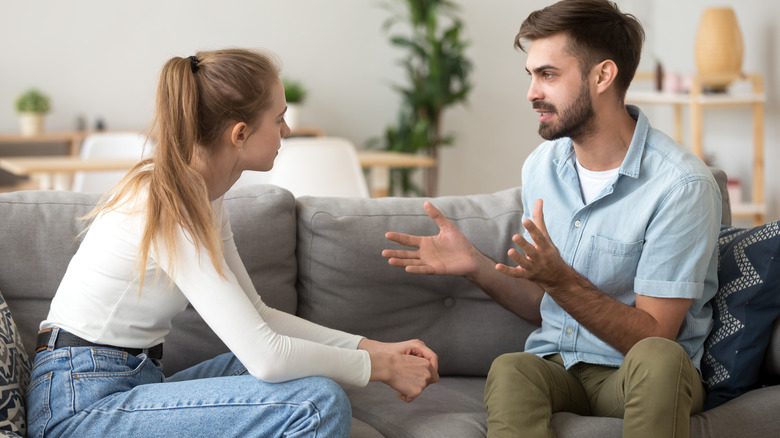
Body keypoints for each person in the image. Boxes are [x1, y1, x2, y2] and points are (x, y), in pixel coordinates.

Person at [27, 48, 439, 438]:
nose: (287, 130)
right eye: (279, 119)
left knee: (300, 370)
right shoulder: (169, 201)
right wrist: (381, 368)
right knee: (316, 403)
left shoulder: (204, 195)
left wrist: (376, 349)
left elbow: (260, 317)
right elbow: (268, 356)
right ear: (240, 134)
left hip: (131, 380)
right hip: (80, 403)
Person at [382, 1, 721, 437]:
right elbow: (543, 302)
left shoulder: (680, 186)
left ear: (603, 76)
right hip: (560, 366)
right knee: (513, 368)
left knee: (660, 358)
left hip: (637, 373)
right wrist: (475, 264)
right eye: (531, 75)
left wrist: (559, 279)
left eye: (548, 74)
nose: (531, 93)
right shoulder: (542, 166)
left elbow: (653, 336)